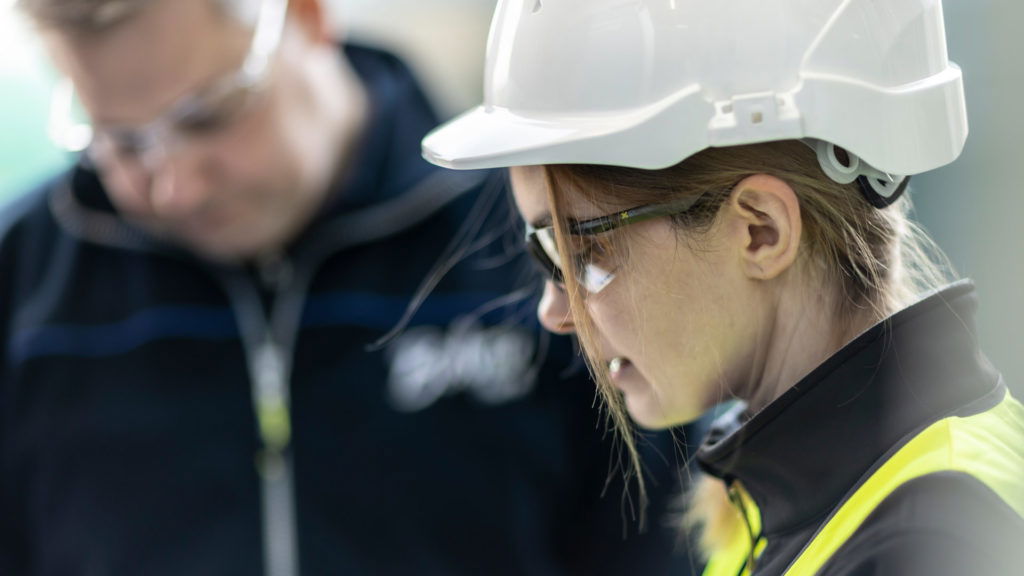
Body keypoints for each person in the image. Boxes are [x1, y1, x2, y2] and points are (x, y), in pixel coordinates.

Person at [0, 0, 701, 574]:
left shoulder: (528, 241)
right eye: (120, 142)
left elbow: (659, 539)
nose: (174, 186)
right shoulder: (25, 286)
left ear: (305, 17)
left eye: (208, 116)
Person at [423, 0, 1024, 574]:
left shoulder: (931, 539)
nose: (555, 311)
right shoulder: (798, 499)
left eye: (584, 253)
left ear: (761, 231)